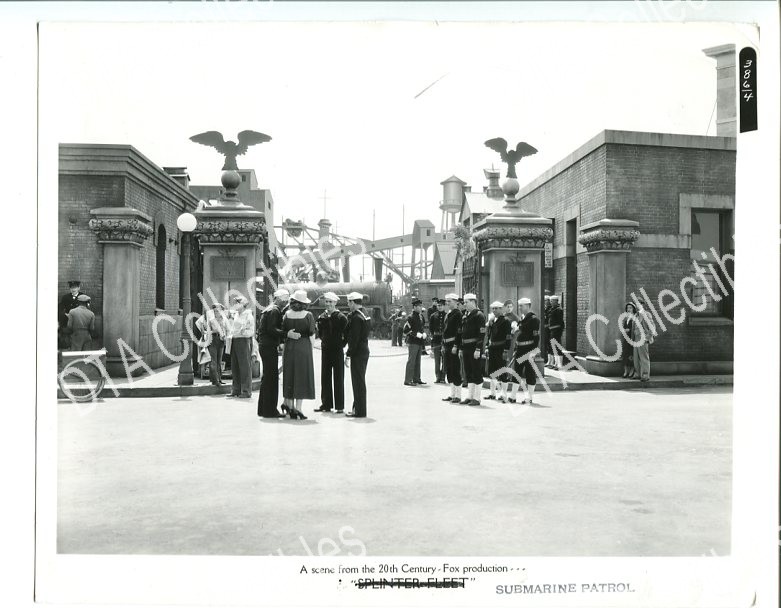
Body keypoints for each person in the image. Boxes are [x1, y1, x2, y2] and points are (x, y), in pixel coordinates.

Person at [281, 290, 316, 419]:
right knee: (301, 376)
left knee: (289, 375)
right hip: (303, 347)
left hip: (290, 347)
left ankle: (289, 406)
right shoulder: (308, 315)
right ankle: (298, 408)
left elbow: (283, 331)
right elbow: (312, 333)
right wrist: (310, 348)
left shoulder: (287, 314)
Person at [256, 288, 289, 417]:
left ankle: (263, 409)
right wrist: (286, 333)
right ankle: (270, 410)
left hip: (264, 345)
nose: (285, 303)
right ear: (278, 299)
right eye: (284, 300)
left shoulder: (268, 309)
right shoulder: (275, 311)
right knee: (272, 379)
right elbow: (272, 329)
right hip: (269, 346)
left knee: (267, 378)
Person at [315, 292, 348, 413]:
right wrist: (324, 341)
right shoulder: (322, 317)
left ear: (335, 303)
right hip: (326, 350)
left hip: (337, 350)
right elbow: (320, 332)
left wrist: (342, 344)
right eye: (327, 301)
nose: (328, 304)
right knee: (325, 377)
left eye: (330, 302)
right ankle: (326, 404)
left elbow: (347, 333)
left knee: (338, 377)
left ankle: (339, 406)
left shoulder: (341, 317)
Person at [344, 291, 371, 417]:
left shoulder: (356, 318)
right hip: (364, 350)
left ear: (353, 302)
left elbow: (354, 339)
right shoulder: (364, 314)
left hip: (357, 352)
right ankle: (358, 409)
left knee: (358, 382)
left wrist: (348, 354)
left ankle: (359, 411)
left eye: (349, 302)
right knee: (360, 381)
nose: (348, 305)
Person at [459, 293, 486, 405]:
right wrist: (461, 348)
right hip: (466, 347)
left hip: (474, 347)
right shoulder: (466, 315)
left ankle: (477, 398)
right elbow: (462, 333)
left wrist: (478, 349)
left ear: (473, 302)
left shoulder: (479, 315)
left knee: (476, 372)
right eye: (464, 302)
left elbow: (481, 334)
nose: (464, 304)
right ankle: (470, 396)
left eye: (466, 302)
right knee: (468, 372)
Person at [513, 297, 541, 404]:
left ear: (528, 306)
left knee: (529, 373)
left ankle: (529, 398)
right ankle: (513, 396)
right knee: (517, 372)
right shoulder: (523, 319)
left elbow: (536, 337)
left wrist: (533, 352)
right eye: (519, 306)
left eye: (522, 306)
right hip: (520, 350)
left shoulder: (534, 319)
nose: (520, 308)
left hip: (528, 350)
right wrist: (516, 349)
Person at [227, 295, 255, 399]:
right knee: (235, 366)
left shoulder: (248, 316)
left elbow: (251, 331)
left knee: (244, 367)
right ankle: (236, 389)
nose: (235, 305)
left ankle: (246, 391)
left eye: (237, 303)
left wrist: (243, 332)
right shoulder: (236, 315)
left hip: (243, 340)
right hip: (235, 339)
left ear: (242, 304)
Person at [485, 301, 512, 402]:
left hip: (501, 349)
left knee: (502, 371)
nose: (494, 310)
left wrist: (506, 350)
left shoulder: (506, 321)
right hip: (492, 348)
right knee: (492, 371)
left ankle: (503, 394)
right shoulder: (492, 320)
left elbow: (508, 337)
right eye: (493, 308)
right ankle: (492, 393)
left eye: (496, 308)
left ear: (501, 309)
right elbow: (489, 335)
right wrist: (487, 346)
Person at [196, 303, 228, 386]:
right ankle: (215, 380)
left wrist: (225, 335)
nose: (218, 312)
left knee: (219, 360)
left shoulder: (223, 318)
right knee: (213, 360)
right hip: (212, 339)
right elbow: (199, 324)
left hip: (221, 339)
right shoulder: (210, 318)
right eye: (216, 310)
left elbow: (225, 328)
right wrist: (207, 332)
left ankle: (219, 379)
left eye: (219, 310)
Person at [440, 293, 463, 403]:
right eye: (447, 301)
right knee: (449, 369)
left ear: (456, 302)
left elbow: (459, 332)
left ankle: (458, 395)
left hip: (453, 345)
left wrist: (456, 345)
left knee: (455, 369)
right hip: (447, 345)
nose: (447, 303)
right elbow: (445, 331)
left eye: (449, 301)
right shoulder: (448, 314)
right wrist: (443, 345)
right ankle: (452, 394)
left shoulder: (458, 314)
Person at [403, 299, 426, 386]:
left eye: (421, 306)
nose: (420, 307)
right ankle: (408, 380)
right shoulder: (410, 317)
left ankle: (416, 378)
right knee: (411, 361)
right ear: (414, 307)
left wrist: (423, 333)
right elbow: (406, 330)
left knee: (418, 361)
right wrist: (415, 334)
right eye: (419, 306)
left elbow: (421, 327)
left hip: (419, 341)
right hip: (413, 341)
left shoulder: (421, 317)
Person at [502, 299, 521, 403]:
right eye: (507, 306)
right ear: (504, 307)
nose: (509, 308)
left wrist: (514, 331)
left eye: (511, 307)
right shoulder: (503, 316)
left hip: (511, 339)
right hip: (503, 340)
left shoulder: (515, 317)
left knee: (509, 357)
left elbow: (519, 329)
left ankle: (509, 375)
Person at [632, 304, 654, 382]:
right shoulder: (635, 315)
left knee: (643, 357)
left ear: (642, 305)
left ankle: (645, 375)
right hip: (636, 338)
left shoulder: (647, 314)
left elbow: (652, 327)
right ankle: (637, 374)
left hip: (643, 338)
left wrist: (647, 337)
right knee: (636, 357)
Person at [429, 299, 446, 383]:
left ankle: (443, 377)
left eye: (441, 305)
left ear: (444, 306)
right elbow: (431, 329)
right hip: (436, 339)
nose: (440, 307)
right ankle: (438, 376)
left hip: (445, 339)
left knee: (445, 359)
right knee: (437, 360)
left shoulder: (447, 315)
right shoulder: (433, 316)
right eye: (438, 305)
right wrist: (432, 342)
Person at [547, 294, 565, 370]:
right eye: (550, 301)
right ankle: (555, 363)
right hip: (552, 330)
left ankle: (559, 364)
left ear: (556, 301)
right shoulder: (552, 309)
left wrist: (553, 328)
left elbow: (559, 322)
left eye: (552, 301)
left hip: (556, 330)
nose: (550, 302)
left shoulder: (559, 310)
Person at [621, 302, 637, 378]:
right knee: (625, 354)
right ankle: (626, 371)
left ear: (633, 309)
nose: (629, 309)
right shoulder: (626, 318)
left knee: (631, 355)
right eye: (627, 308)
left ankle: (631, 371)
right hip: (626, 339)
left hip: (632, 339)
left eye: (630, 308)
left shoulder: (635, 318)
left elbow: (636, 328)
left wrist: (629, 330)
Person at [457, 297, 468, 389]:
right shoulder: (461, 315)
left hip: (467, 343)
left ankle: (465, 379)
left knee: (465, 363)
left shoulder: (464, 315)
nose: (458, 306)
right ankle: (462, 378)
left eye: (459, 304)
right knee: (461, 363)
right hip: (461, 342)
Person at [543, 293, 552, 367]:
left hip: (549, 329)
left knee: (549, 344)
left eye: (546, 300)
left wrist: (547, 325)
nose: (545, 302)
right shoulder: (545, 309)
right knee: (546, 344)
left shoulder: (550, 309)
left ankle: (550, 361)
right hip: (545, 329)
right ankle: (547, 359)